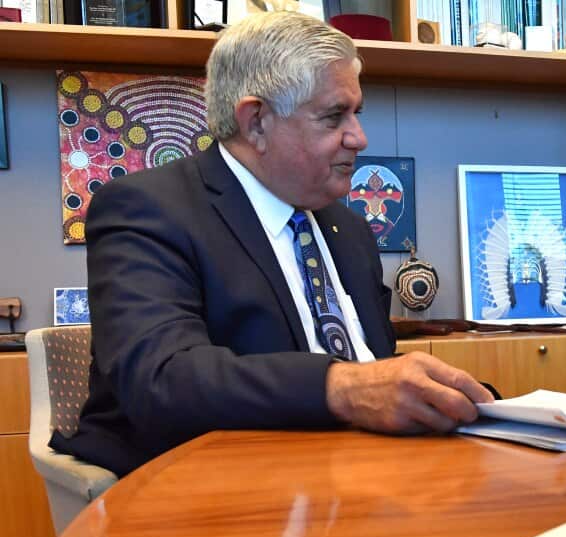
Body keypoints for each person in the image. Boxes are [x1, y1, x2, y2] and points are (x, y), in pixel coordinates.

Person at [52, 12, 493, 478]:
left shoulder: (349, 230)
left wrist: (450, 398)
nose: (359, 138)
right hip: (207, 492)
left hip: (359, 478)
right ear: (256, 121)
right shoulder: (145, 209)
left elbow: (370, 371)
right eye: (333, 116)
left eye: (357, 113)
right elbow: (163, 381)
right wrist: (342, 387)